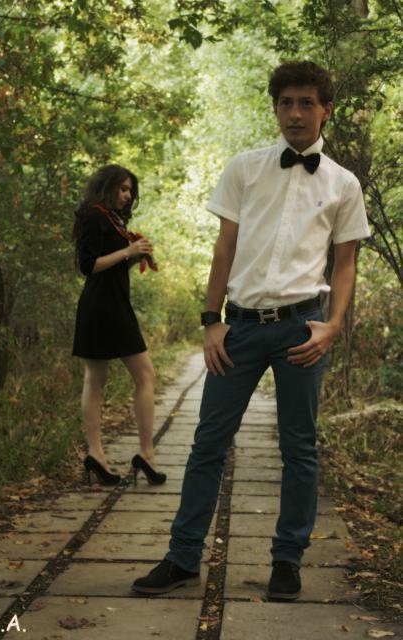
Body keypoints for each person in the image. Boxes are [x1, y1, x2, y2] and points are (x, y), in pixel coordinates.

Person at [132, 61, 370, 599]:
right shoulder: (245, 168)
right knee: (207, 444)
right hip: (238, 328)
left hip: (301, 331)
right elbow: (225, 247)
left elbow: (346, 262)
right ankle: (182, 557)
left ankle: (288, 561)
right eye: (286, 103)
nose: (295, 113)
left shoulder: (343, 184)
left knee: (299, 448)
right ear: (275, 108)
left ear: (326, 110)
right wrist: (210, 321)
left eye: (306, 103)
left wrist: (332, 326)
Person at [72, 164, 166, 487]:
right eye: (123, 189)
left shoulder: (112, 218)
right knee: (105, 377)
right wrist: (128, 250)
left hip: (115, 305)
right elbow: (88, 266)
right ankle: (101, 453)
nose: (127, 195)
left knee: (139, 376)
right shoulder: (93, 215)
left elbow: (110, 265)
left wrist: (134, 256)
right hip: (100, 307)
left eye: (130, 191)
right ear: (107, 186)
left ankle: (142, 454)